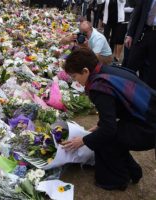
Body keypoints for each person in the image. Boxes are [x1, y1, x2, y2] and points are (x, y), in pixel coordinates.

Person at [62, 48, 156, 190]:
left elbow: (109, 130)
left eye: (75, 76)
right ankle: (133, 171)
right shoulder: (106, 71)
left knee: (104, 139)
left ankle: (116, 180)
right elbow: (115, 107)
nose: (76, 81)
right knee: (107, 135)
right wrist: (100, 125)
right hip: (147, 118)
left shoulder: (99, 86)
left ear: (86, 71)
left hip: (149, 129)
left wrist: (83, 140)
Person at [125, 0, 156, 90]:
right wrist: (130, 34)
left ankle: (147, 96)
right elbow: (137, 14)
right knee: (131, 64)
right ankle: (125, 90)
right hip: (143, 33)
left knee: (152, 71)